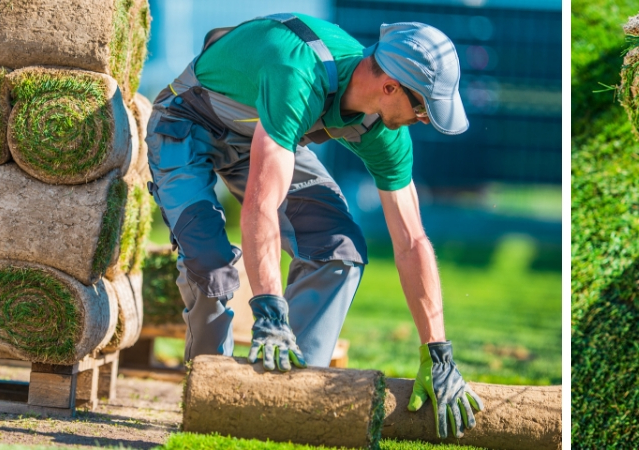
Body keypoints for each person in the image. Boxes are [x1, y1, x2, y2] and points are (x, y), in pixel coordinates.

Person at [144, 13, 483, 438]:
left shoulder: (384, 131)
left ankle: (281, 404)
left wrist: (438, 353)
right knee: (210, 267)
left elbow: (412, 239)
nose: (423, 119)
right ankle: (214, 404)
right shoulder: (297, 73)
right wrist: (267, 309)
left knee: (338, 250)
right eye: (421, 106)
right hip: (186, 123)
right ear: (390, 85)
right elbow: (261, 205)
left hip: (266, 135)